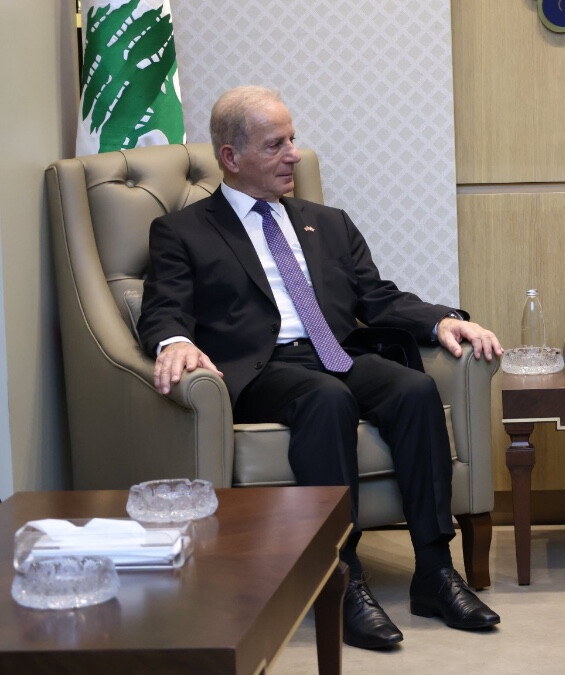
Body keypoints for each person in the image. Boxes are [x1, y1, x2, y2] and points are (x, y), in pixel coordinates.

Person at [138, 85, 504, 650]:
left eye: (292, 139)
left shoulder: (327, 222)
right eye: (275, 145)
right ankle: (341, 578)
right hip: (261, 369)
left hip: (335, 352)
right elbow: (164, 309)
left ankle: (435, 572)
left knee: (413, 389)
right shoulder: (184, 231)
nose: (293, 155)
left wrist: (440, 322)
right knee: (325, 399)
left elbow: (377, 297)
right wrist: (175, 342)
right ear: (231, 157)